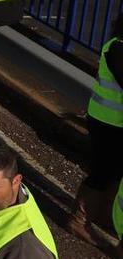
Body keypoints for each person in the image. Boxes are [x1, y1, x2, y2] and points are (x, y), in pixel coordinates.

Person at [69, 16, 123, 247]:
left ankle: (102, 213)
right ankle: (79, 220)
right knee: (103, 171)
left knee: (114, 171)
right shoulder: (119, 48)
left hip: (113, 122)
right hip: (109, 123)